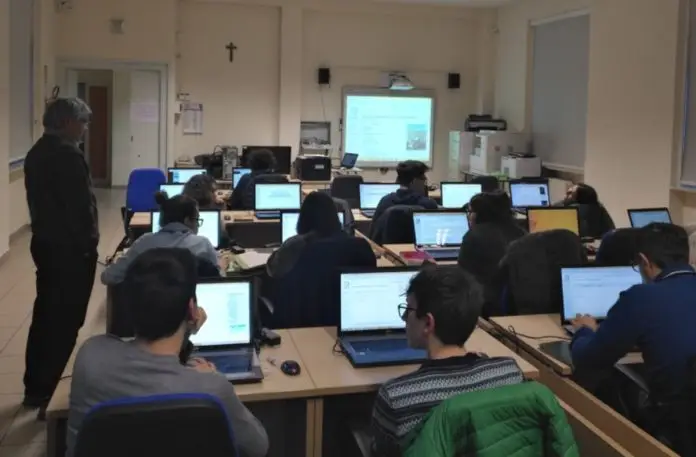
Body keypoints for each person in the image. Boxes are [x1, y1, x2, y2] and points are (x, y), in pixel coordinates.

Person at [67, 248, 269, 457]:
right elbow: (258, 447)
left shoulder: (90, 357)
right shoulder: (211, 388)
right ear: (192, 310)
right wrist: (207, 366)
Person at [371, 266, 524, 457]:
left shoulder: (396, 396)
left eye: (407, 310)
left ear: (428, 323)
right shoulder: (510, 373)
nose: (404, 318)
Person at [23, 97, 98, 415]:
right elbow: (80, 209)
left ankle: (35, 387)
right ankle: (49, 392)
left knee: (46, 315)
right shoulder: (68, 155)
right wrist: (90, 246)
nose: (85, 128)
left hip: (46, 244)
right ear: (67, 122)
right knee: (66, 320)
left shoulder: (37, 151)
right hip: (71, 251)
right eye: (83, 122)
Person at [571, 223, 696, 402]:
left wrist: (585, 330)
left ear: (644, 261)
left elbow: (589, 360)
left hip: (674, 412)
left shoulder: (641, 297)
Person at [102, 192, 219, 286]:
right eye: (197, 220)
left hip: (148, 306)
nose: (198, 225)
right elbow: (219, 278)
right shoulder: (202, 244)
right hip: (187, 306)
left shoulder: (144, 242)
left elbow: (107, 277)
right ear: (188, 220)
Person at [267, 191, 369, 278]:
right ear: (334, 215)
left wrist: (280, 250)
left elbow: (273, 270)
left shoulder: (295, 245)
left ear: (303, 217)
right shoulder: (358, 246)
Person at [457, 191, 526, 316]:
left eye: (470, 212)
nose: (469, 216)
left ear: (479, 214)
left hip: (486, 305)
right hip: (518, 304)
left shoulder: (474, 236)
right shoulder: (521, 233)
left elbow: (461, 277)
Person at [371, 160, 438, 224]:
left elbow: (374, 230)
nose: (425, 184)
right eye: (423, 180)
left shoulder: (385, 201)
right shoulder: (429, 205)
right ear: (414, 181)